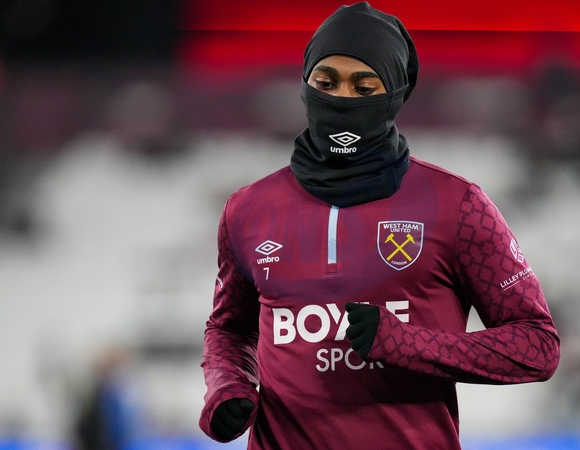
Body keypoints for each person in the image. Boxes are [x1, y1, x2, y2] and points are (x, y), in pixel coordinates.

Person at [199, 3, 560, 449]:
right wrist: (227, 384)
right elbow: (229, 329)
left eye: (364, 86)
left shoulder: (458, 205)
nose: (342, 98)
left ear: (394, 94)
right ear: (305, 85)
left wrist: (408, 344)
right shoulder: (248, 209)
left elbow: (537, 346)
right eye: (326, 83)